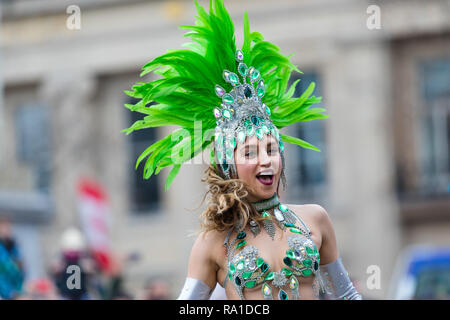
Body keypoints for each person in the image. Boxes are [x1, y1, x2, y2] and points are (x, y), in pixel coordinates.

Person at [123, 0, 362, 300]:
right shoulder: (213, 243)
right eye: (250, 153)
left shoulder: (315, 219)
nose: (266, 160)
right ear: (228, 164)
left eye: (271, 149)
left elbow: (348, 296)